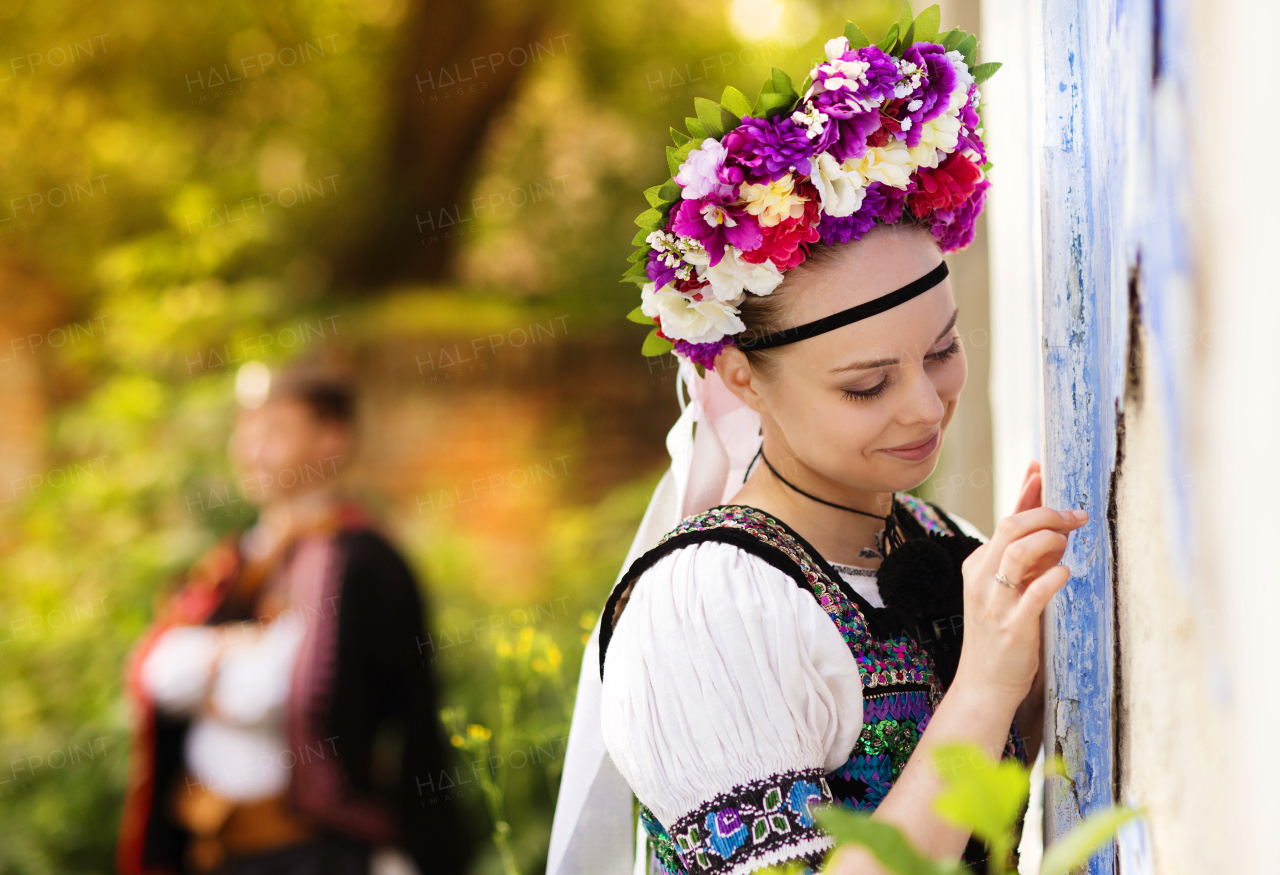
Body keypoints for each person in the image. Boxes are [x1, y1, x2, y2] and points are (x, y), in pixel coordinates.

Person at [548, 19, 1086, 875]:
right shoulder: (707, 608)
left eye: (943, 351)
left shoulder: (929, 535)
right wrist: (983, 687)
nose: (923, 408)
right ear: (740, 376)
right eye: (866, 385)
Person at [116, 362, 474, 875]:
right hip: (210, 853)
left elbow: (270, 696)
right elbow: (154, 677)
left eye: (273, 431)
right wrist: (235, 653)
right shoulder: (233, 560)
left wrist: (211, 664)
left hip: (315, 856)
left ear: (331, 439)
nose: (249, 450)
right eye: (244, 431)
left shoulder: (367, 566)